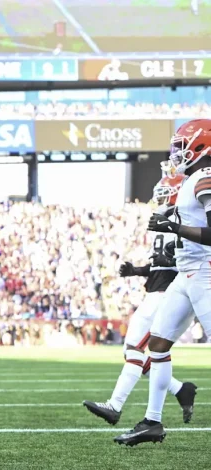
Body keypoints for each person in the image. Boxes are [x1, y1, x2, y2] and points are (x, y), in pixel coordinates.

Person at [116, 119, 211, 445]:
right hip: (185, 275)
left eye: (182, 146)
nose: (177, 153)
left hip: (204, 272)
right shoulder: (192, 179)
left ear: (201, 145)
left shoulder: (206, 178)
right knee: (157, 345)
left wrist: (174, 229)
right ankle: (152, 422)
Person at [84, 173, 196, 425]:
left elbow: (187, 259)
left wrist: (172, 260)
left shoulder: (185, 219)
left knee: (137, 349)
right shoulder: (165, 219)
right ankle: (180, 390)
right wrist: (136, 270)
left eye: (166, 191)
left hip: (169, 294)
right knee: (131, 349)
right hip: (154, 292)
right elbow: (161, 263)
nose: (160, 196)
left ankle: (115, 406)